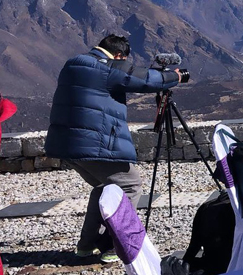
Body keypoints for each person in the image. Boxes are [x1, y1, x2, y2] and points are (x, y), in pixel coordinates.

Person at [44, 35, 184, 263]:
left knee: (104, 186)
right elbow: (145, 79)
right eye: (123, 61)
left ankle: (86, 246)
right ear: (119, 56)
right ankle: (114, 245)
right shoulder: (106, 67)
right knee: (129, 185)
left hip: (66, 144)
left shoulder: (73, 63)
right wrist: (173, 77)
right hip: (92, 144)